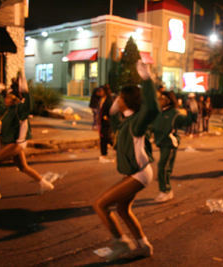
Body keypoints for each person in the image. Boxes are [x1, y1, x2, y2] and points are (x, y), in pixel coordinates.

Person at [93, 60, 160, 261]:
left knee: (100, 204)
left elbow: (152, 110)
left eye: (120, 98)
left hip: (139, 174)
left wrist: (147, 79)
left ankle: (121, 242)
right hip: (133, 173)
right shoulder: (127, 123)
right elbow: (115, 130)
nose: (117, 100)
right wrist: (112, 113)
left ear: (128, 100)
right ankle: (143, 246)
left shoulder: (137, 123)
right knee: (122, 209)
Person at [0, 74, 54, 200]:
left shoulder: (20, 109)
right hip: (14, 143)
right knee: (23, 167)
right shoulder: (9, 110)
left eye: (8, 97)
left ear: (15, 99)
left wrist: (25, 91)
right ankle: (45, 184)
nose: (6, 99)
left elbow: (29, 105)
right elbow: (0, 110)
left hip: (16, 143)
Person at [152, 91, 196, 203]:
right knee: (163, 167)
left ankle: (166, 191)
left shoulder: (175, 114)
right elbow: (152, 127)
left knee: (163, 167)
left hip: (170, 144)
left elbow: (188, 121)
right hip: (161, 143)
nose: (159, 101)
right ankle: (165, 190)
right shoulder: (159, 113)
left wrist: (193, 109)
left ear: (168, 101)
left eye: (162, 99)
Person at [97, 84, 114, 163]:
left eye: (101, 91)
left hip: (107, 123)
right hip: (101, 122)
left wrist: (107, 117)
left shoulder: (108, 100)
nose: (100, 92)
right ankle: (104, 153)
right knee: (102, 138)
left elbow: (110, 111)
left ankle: (119, 149)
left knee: (107, 138)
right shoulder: (102, 99)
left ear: (105, 91)